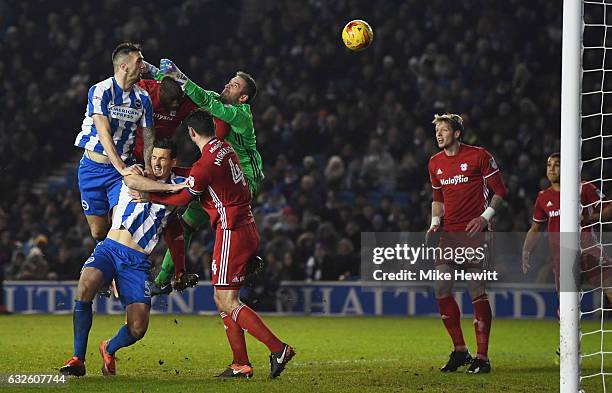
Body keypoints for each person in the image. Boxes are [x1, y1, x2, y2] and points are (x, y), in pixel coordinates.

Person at [142, 109, 294, 379]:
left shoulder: (205, 164)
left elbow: (183, 199)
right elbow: (200, 174)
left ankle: (278, 348)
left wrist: (150, 197)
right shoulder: (223, 149)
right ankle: (241, 364)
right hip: (246, 227)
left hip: (231, 231)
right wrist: (175, 170)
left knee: (228, 299)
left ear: (191, 133)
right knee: (221, 299)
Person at [59, 139, 188, 376]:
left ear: (173, 162)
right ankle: (78, 359)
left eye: (162, 158)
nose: (157, 163)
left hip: (137, 263)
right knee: (85, 286)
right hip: (110, 248)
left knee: (138, 328)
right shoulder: (136, 171)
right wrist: (170, 191)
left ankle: (109, 347)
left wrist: (179, 268)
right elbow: (131, 181)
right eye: (154, 157)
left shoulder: (180, 185)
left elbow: (187, 199)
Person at [150, 59, 264, 295]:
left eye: (234, 85)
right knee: (187, 223)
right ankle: (166, 279)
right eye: (230, 81)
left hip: (243, 179)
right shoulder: (218, 103)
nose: (227, 85)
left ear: (243, 98)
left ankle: (244, 259)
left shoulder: (241, 117)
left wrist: (181, 75)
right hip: (221, 175)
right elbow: (196, 94)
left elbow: (202, 99)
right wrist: (151, 70)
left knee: (208, 212)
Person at [426, 113, 507, 374]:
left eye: (444, 130)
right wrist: (435, 222)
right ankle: (460, 350)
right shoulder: (434, 162)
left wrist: (485, 218)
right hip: (449, 233)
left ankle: (482, 357)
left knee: (475, 288)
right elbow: (438, 197)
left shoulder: (479, 155)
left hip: (476, 232)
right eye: (437, 130)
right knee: (441, 286)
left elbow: (500, 190)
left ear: (457, 133)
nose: (439, 134)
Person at [73, 42, 155, 242]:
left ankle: (114, 271)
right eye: (139, 61)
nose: (143, 65)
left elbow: (149, 137)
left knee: (121, 225)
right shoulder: (101, 90)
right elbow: (104, 133)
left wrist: (148, 172)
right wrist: (122, 169)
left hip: (120, 173)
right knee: (99, 232)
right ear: (124, 66)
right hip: (92, 169)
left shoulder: (143, 98)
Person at [522, 152, 612, 301]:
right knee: (566, 307)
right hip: (562, 257)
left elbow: (609, 209)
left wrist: (590, 217)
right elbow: (535, 228)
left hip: (589, 250)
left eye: (557, 165)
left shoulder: (584, 188)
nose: (552, 169)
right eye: (549, 165)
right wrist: (526, 250)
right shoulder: (543, 197)